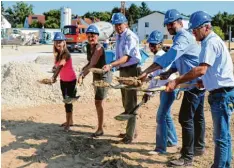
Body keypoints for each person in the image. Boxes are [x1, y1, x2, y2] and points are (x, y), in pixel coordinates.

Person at [166, 11, 234, 168]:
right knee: (224, 136)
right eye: (192, 31)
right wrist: (205, 81)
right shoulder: (210, 41)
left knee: (221, 137)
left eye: (195, 30)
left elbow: (201, 69)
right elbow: (215, 69)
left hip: (222, 95)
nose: (194, 33)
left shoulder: (210, 42)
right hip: (222, 92)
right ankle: (225, 165)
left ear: (206, 27)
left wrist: (176, 81)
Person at [138, 9, 206, 166]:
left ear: (180, 22)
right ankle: (198, 147)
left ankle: (187, 157)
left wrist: (147, 71)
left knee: (185, 118)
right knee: (197, 117)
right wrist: (169, 71)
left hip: (193, 82)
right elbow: (177, 61)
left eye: (172, 23)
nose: (169, 26)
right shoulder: (179, 38)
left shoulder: (183, 37)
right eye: (167, 24)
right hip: (195, 81)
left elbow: (170, 56)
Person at [102, 12, 141, 144]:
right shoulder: (119, 36)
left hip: (131, 70)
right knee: (126, 101)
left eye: (120, 24)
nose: (118, 27)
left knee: (131, 103)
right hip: (123, 70)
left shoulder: (130, 36)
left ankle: (129, 136)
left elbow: (126, 57)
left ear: (126, 24)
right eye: (116, 25)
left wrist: (111, 65)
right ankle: (132, 131)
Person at [142, 30, 178, 155]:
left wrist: (148, 93)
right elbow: (154, 77)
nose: (151, 47)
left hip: (169, 87)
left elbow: (156, 79)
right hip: (165, 87)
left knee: (161, 116)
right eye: (150, 44)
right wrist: (149, 87)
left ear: (160, 44)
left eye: (154, 44)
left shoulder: (161, 56)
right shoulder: (158, 55)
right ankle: (173, 140)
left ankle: (161, 148)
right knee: (166, 115)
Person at [78, 25, 112, 137]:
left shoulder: (99, 48)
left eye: (93, 36)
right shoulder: (88, 47)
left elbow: (92, 63)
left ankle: (100, 128)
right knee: (98, 102)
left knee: (98, 102)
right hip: (96, 75)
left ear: (97, 36)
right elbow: (89, 63)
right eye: (89, 36)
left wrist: (83, 75)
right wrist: (82, 71)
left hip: (103, 76)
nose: (91, 38)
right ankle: (100, 123)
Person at [52, 32, 77, 132]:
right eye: (56, 42)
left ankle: (68, 123)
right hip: (63, 80)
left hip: (71, 80)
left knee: (68, 102)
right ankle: (70, 121)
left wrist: (54, 77)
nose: (58, 43)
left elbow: (61, 65)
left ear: (64, 42)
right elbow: (57, 65)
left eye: (60, 41)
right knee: (67, 101)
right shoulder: (57, 54)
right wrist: (54, 68)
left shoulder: (66, 53)